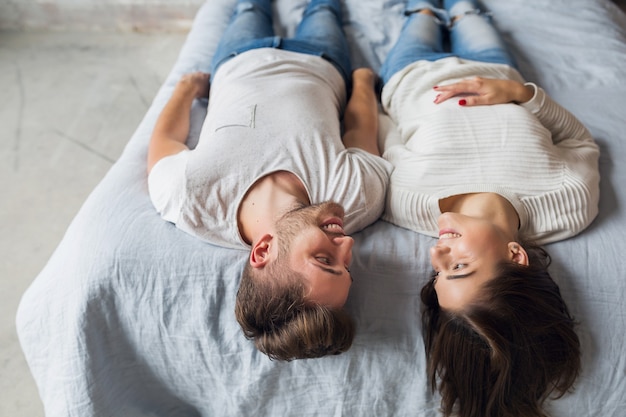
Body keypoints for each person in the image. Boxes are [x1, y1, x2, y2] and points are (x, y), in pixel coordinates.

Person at [377, 0, 600, 416]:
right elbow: (580, 142)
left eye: (438, 272)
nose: (436, 253)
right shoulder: (567, 204)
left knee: (421, 14)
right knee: (469, 13)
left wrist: (385, 97)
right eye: (458, 266)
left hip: (413, 74)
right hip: (497, 70)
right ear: (516, 256)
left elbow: (388, 130)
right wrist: (521, 95)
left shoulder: (406, 202)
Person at [146, 0, 391, 361]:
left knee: (248, 6)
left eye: (325, 258)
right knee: (324, 8)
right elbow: (359, 127)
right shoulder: (356, 198)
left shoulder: (191, 198)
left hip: (238, 58)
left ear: (262, 251)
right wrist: (363, 81)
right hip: (321, 61)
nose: (348, 245)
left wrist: (186, 88)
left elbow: (164, 145)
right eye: (346, 266)